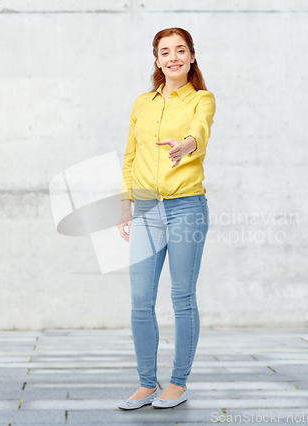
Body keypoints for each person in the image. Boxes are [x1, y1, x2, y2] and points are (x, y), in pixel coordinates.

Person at [117, 27, 216, 410]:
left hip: (186, 207)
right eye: (165, 52)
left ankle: (178, 383)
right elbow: (130, 157)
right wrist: (126, 205)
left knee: (181, 296)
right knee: (140, 300)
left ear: (192, 56)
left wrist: (185, 146)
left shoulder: (202, 99)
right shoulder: (142, 103)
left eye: (180, 50)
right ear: (157, 60)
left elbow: (199, 133)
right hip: (144, 208)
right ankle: (146, 383)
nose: (173, 57)